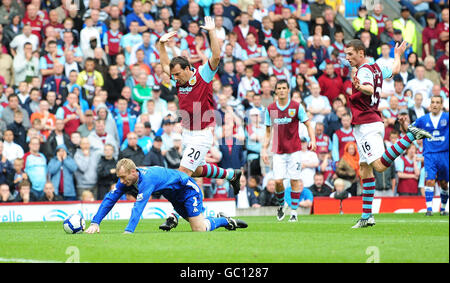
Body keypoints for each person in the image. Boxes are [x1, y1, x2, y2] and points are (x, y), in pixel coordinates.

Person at [344, 39, 432, 228]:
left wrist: (360, 87)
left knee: (379, 166)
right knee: (365, 170)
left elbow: (367, 87)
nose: (347, 57)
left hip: (367, 123)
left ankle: (410, 135)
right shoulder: (376, 68)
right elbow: (394, 71)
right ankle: (367, 216)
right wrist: (398, 55)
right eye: (346, 54)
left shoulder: (364, 71)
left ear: (361, 53)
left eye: (350, 54)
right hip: (367, 123)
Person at [157, 16, 242, 197]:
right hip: (187, 132)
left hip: (202, 134)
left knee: (183, 173)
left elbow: (217, 56)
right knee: (196, 170)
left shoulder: (203, 74)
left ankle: (174, 215)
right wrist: (161, 45)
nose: (175, 78)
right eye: (174, 75)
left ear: (188, 68)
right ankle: (231, 175)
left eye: (178, 74)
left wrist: (211, 32)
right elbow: (165, 65)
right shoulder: (178, 77)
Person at [85, 158, 248, 234]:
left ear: (133, 172)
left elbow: (138, 207)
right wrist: (95, 222)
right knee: (199, 224)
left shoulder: (147, 179)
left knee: (199, 229)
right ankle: (218, 218)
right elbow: (110, 199)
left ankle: (225, 221)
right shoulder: (128, 180)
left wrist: (128, 231)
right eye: (119, 178)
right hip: (175, 197)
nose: (120, 181)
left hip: (188, 190)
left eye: (122, 177)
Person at [261, 79, 316, 222]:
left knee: (294, 180)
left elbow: (308, 124)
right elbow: (268, 132)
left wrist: (313, 140)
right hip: (278, 151)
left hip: (295, 150)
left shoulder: (296, 107)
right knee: (278, 181)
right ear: (275, 91)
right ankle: (281, 205)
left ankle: (293, 212)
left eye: (284, 88)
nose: (281, 90)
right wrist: (264, 150)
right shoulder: (271, 109)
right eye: (278, 88)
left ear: (288, 90)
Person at [413, 96, 449, 216]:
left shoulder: (447, 117)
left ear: (441, 105)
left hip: (444, 154)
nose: (434, 105)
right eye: (432, 102)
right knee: (430, 181)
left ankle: (443, 208)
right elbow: (410, 129)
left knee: (444, 183)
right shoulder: (423, 119)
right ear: (430, 104)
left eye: (437, 102)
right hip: (429, 155)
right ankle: (429, 209)